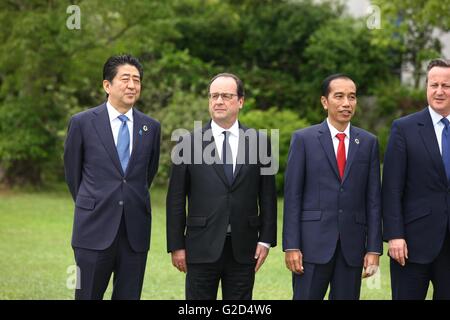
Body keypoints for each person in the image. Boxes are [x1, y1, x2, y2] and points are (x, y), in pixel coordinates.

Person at [166, 73, 277, 300]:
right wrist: (176, 245)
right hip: (200, 247)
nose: (218, 101)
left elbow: (267, 196)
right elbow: (176, 198)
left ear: (240, 101)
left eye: (226, 96)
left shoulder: (259, 142)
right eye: (214, 96)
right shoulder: (187, 143)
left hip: (243, 249)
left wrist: (265, 239)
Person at [64, 54, 160, 300]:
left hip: (135, 232)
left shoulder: (151, 127)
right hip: (93, 228)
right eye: (125, 79)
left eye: (137, 80)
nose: (132, 85)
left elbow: (147, 173)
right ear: (107, 85)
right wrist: (94, 201)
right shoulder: (82, 123)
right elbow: (73, 174)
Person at [283, 74, 382, 300]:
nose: (346, 103)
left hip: (352, 248)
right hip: (311, 246)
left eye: (352, 97)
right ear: (325, 101)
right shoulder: (304, 139)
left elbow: (374, 200)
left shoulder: (368, 143)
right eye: (339, 96)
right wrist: (291, 245)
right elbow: (293, 196)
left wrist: (374, 249)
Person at [382, 58, 450, 300]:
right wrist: (394, 235)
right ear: (426, 88)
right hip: (411, 245)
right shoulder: (404, 128)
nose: (439, 91)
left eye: (446, 85)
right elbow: (391, 188)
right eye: (434, 85)